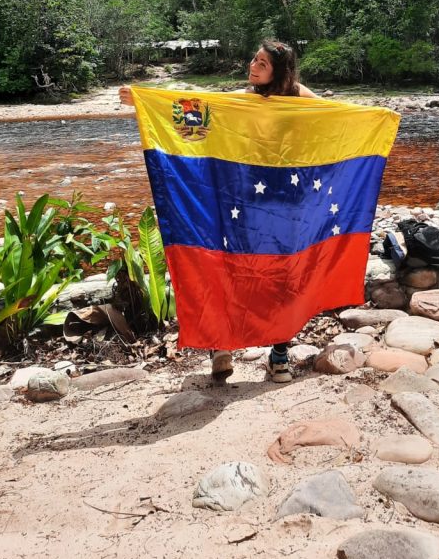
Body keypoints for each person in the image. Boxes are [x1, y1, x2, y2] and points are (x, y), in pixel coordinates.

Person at [119, 39, 319, 385]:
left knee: (281, 274)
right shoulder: (241, 99)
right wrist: (144, 100)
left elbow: (336, 117)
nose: (252, 66)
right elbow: (196, 109)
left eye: (261, 64)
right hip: (241, 197)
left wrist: (374, 119)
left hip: (284, 198)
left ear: (279, 71)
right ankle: (221, 345)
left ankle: (279, 355)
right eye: (253, 60)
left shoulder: (298, 96)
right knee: (232, 267)